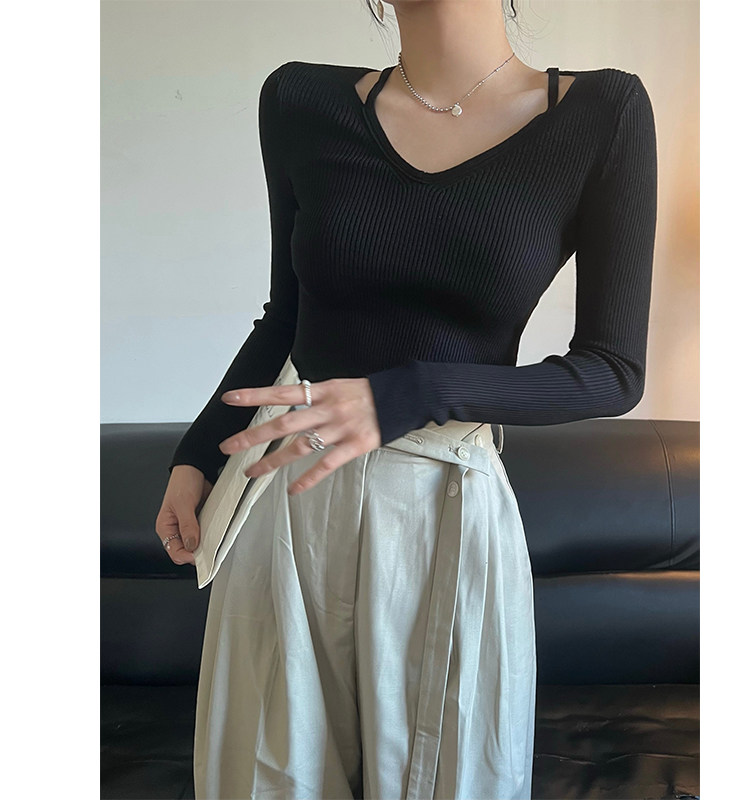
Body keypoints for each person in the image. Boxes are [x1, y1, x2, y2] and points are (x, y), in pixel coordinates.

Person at [154, 1, 658, 797]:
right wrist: (196, 456)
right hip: (288, 498)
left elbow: (612, 370)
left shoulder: (603, 113)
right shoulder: (298, 101)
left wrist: (414, 391)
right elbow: (286, 316)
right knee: (273, 777)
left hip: (446, 507)